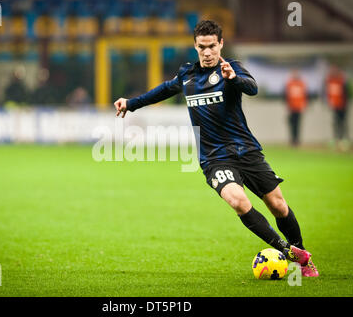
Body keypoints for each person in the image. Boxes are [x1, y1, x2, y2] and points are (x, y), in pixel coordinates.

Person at [113, 20, 318, 277]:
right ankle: (288, 251)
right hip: (214, 158)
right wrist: (130, 103)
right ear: (195, 46)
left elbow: (252, 87)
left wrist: (234, 78)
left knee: (278, 205)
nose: (207, 52)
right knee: (237, 201)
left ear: (220, 44)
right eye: (202, 47)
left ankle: (302, 256)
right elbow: (164, 90)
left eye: (212, 46)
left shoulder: (231, 69)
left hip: (246, 150)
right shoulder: (187, 75)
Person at [325, 65, 351, 151]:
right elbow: (328, 93)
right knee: (335, 123)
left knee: (343, 122)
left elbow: (347, 93)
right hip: (335, 106)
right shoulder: (330, 81)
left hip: (342, 106)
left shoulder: (342, 81)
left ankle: (344, 139)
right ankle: (336, 139)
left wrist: (344, 104)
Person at [285, 70, 308, 147]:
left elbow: (305, 95)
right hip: (291, 107)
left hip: (299, 107)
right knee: (292, 124)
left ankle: (297, 140)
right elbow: (286, 95)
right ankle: (292, 140)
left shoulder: (302, 84)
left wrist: (304, 105)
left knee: (298, 124)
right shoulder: (289, 84)